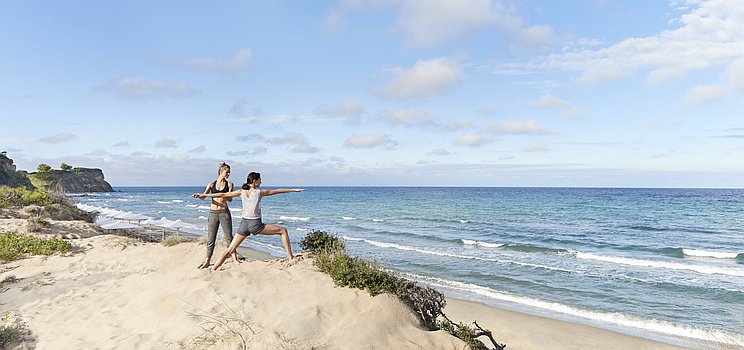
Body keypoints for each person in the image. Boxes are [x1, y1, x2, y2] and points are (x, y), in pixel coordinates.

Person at [193, 172, 303, 271]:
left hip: (244, 225)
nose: (261, 181)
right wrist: (293, 190)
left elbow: (222, 194)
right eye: (260, 180)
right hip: (255, 225)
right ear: (254, 181)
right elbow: (277, 191)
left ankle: (214, 269)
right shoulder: (259, 192)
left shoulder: (241, 191)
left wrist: (204, 195)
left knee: (229, 250)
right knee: (283, 231)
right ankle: (290, 257)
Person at [192, 162, 241, 269]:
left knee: (229, 237)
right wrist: (198, 196)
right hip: (213, 213)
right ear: (221, 171)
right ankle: (207, 261)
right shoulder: (211, 184)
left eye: (229, 173)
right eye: (226, 172)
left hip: (224, 213)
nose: (228, 174)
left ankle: (234, 259)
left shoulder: (229, 184)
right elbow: (204, 196)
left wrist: (225, 195)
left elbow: (230, 199)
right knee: (211, 239)